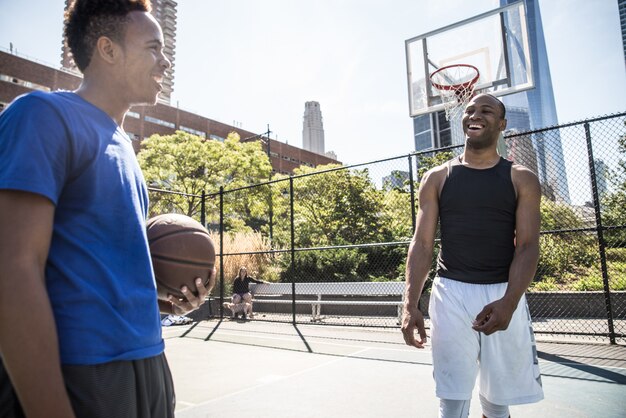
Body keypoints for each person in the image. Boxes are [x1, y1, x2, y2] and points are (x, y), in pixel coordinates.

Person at [0, 1, 214, 417]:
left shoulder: (124, 147)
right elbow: (12, 267)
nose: (165, 61)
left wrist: (163, 299)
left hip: (149, 360)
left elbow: (92, 272)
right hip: (85, 369)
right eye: (154, 47)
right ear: (108, 50)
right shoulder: (43, 115)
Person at [401, 93, 543, 418]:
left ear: (502, 124)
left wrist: (509, 301)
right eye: (470, 110)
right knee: (452, 402)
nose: (475, 115)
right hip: (451, 292)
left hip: (502, 291)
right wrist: (409, 306)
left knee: (496, 404)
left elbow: (528, 246)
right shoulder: (437, 177)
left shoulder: (521, 178)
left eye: (486, 110)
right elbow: (422, 244)